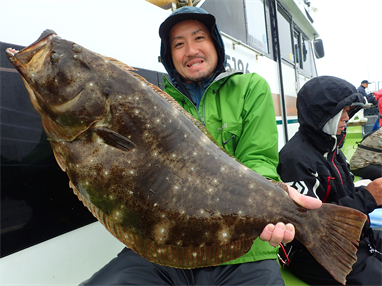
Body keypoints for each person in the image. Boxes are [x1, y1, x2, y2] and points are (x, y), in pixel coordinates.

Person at [80, 7, 321, 285]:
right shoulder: (152, 101)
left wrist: (273, 200)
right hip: (166, 249)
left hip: (244, 252)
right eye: (178, 44)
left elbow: (258, 159)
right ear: (170, 56)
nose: (190, 50)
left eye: (199, 38)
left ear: (215, 44)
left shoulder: (251, 87)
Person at [277, 76, 382, 286]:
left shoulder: (331, 147)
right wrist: (369, 196)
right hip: (317, 252)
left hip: (353, 236)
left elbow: (344, 196)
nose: (347, 118)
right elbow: (307, 222)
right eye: (342, 111)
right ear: (322, 113)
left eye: (348, 111)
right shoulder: (295, 158)